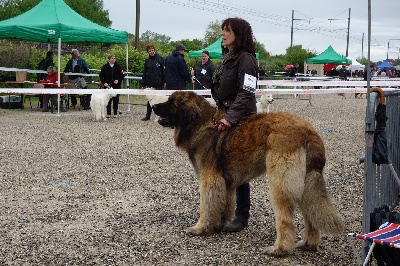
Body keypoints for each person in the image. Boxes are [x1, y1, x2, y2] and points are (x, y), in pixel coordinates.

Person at [211, 17, 258, 232]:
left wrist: (229, 118)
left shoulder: (246, 59)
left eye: (226, 31)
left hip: (241, 119)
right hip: (225, 113)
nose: (222, 34)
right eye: (222, 30)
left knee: (239, 169)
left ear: (237, 34)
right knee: (224, 166)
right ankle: (225, 210)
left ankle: (242, 215)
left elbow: (247, 93)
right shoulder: (228, 57)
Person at [141, 44, 165, 121]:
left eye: (152, 50)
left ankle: (160, 116)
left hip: (159, 83)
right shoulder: (147, 60)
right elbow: (144, 73)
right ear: (148, 52)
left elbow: (164, 71)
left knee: (159, 100)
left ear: (154, 50)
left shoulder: (160, 59)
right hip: (149, 84)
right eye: (149, 51)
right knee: (149, 100)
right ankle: (148, 116)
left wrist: (165, 81)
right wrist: (143, 84)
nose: (151, 52)